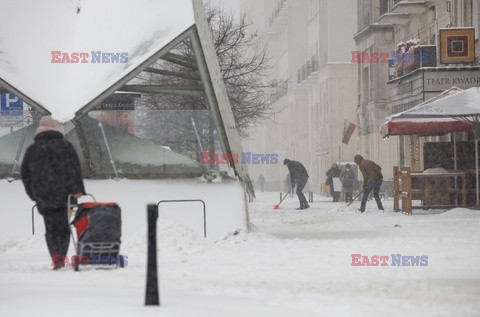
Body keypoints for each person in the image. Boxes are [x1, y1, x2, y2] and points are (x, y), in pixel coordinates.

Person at [21, 116, 85, 270]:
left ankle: (57, 260)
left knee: (51, 229)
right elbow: (75, 169)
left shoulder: (33, 150)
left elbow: (26, 175)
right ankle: (61, 255)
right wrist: (77, 191)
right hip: (67, 196)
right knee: (65, 227)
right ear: (55, 128)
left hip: (45, 197)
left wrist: (34, 194)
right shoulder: (66, 146)